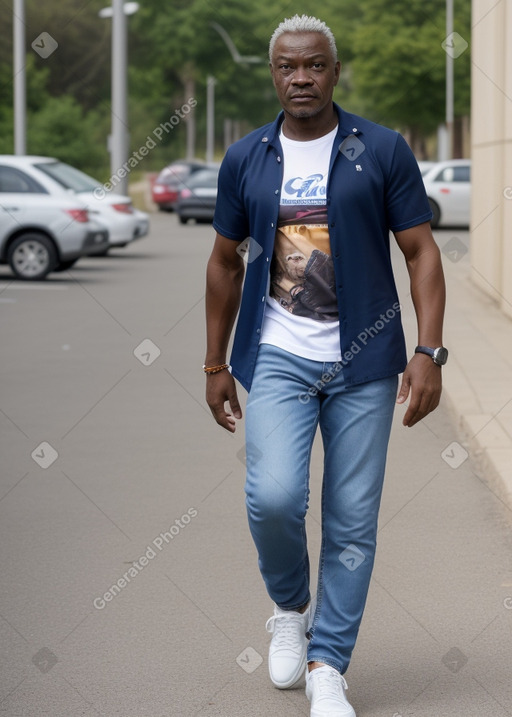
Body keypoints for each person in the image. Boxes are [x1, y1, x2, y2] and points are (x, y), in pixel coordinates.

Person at [204, 14, 447, 717]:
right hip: (278, 355)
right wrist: (213, 361)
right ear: (273, 73)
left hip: (365, 360)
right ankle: (289, 605)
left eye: (314, 65)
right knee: (273, 497)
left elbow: (423, 252)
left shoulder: (381, 150)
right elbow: (223, 262)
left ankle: (328, 662)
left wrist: (429, 351)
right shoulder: (247, 157)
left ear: (335, 72)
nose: (301, 77)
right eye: (287, 66)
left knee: (352, 520)